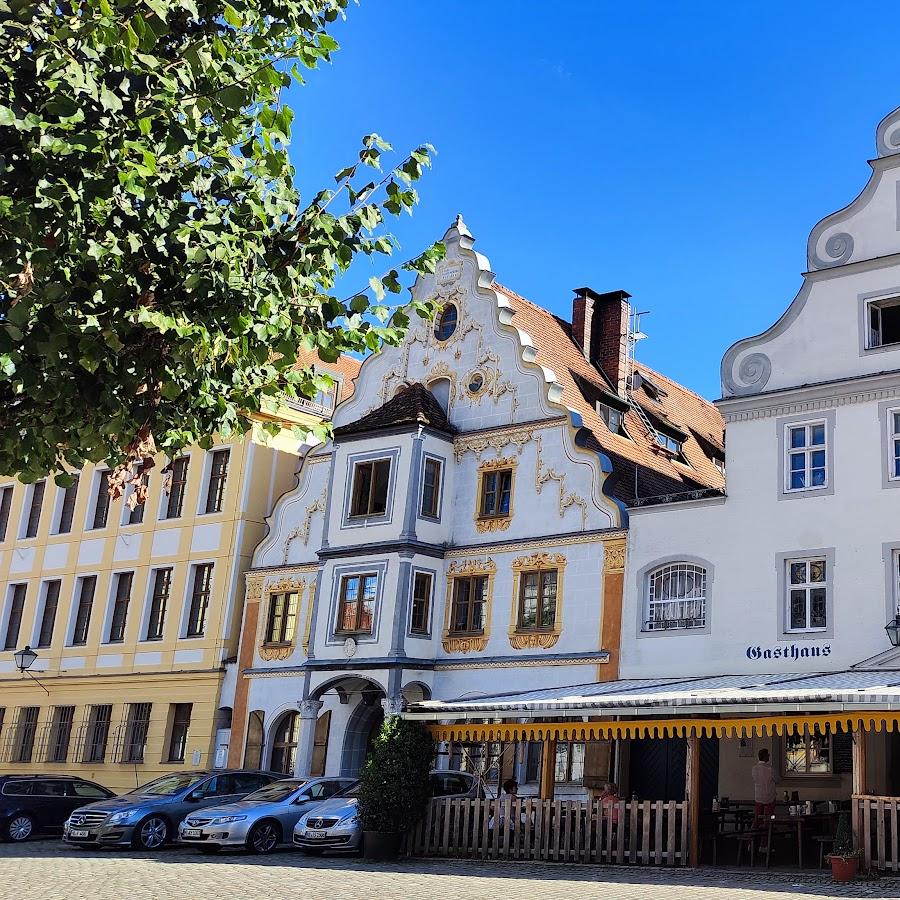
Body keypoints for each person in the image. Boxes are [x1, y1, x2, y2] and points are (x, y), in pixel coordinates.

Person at [752, 748, 776, 824]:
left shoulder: (754, 768)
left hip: (758, 796)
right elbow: (777, 779)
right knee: (770, 815)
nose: (769, 756)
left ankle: (756, 826)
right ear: (765, 756)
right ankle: (770, 825)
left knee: (758, 815)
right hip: (769, 796)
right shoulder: (770, 769)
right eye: (768, 755)